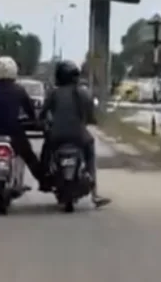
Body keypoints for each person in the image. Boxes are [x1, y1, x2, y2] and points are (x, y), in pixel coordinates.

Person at [39, 60, 110, 208]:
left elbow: (43, 113)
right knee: (90, 150)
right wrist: (92, 120)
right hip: (78, 136)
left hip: (56, 136)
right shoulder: (82, 92)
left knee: (46, 151)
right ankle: (94, 190)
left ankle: (44, 178)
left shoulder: (53, 93)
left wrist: (43, 123)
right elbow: (90, 114)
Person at [0, 56, 42, 189]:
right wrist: (34, 121)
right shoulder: (19, 90)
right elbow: (29, 110)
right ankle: (43, 180)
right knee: (29, 155)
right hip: (15, 131)